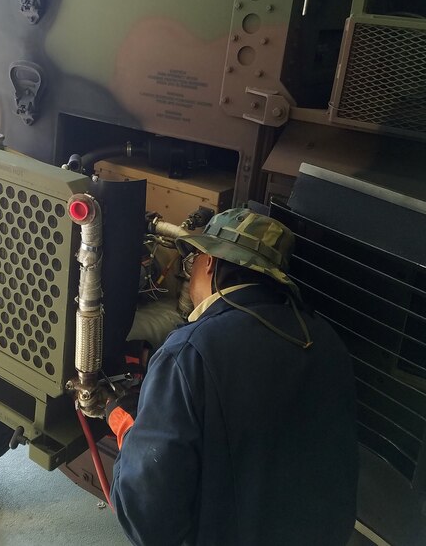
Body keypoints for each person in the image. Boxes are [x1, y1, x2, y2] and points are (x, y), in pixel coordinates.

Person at [106, 208, 359, 546]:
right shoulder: (325, 339)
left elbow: (148, 519)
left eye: (191, 261)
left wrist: (130, 428)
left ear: (209, 261)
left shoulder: (189, 353)